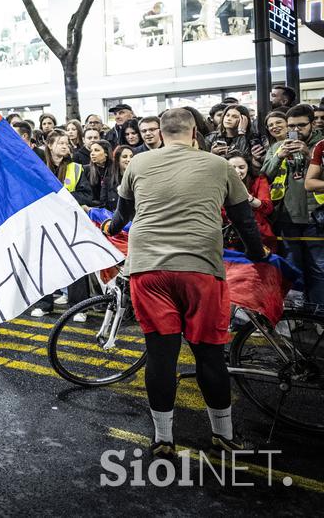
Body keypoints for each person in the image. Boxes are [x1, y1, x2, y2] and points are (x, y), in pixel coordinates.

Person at [102, 108, 265, 458]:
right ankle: (223, 436)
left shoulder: (138, 164)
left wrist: (110, 230)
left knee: (161, 357)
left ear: (160, 134)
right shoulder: (218, 165)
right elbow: (243, 219)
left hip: (148, 269)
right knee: (209, 356)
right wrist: (258, 255)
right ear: (194, 133)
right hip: (200, 269)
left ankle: (163, 439)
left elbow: (122, 215)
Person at [262, 104, 324, 306]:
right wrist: (278, 156)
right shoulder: (276, 146)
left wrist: (308, 156)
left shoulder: (320, 146)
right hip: (286, 216)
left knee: (319, 269)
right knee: (291, 269)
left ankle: (319, 315)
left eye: (301, 126)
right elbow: (264, 176)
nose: (295, 131)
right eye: (291, 126)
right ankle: (297, 317)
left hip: (315, 216)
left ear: (312, 124)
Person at [30, 129, 92, 319]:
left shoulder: (76, 168)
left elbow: (86, 195)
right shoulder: (37, 167)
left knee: (76, 264)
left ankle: (80, 307)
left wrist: (63, 198)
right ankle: (44, 304)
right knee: (44, 264)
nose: (65, 146)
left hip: (69, 223)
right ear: (49, 145)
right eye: (61, 143)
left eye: (67, 143)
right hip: (44, 223)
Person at [224, 154, 275, 253]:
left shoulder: (259, 180)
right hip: (229, 236)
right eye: (232, 167)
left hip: (259, 234)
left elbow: (267, 208)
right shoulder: (220, 182)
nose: (237, 171)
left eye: (241, 167)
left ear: (248, 168)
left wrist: (249, 198)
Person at [103, 145, 134, 212]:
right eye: (124, 157)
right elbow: (103, 205)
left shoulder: (139, 179)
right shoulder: (107, 181)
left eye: (131, 157)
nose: (129, 160)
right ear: (117, 160)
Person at [86, 140, 114, 210]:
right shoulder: (86, 170)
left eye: (96, 150)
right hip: (93, 208)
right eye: (91, 151)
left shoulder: (116, 169)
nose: (92, 153)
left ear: (106, 153)